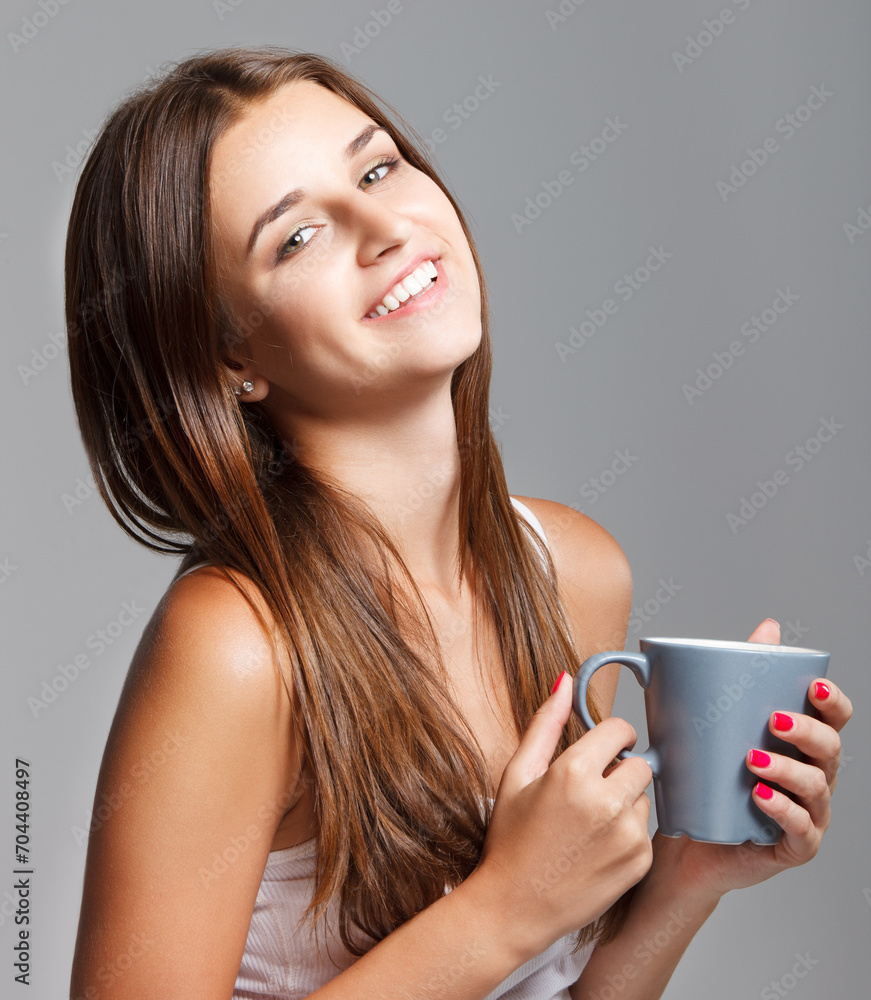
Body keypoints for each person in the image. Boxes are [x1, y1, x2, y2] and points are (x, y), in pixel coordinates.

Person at [65, 46, 852, 1000]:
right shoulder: (239, 646)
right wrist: (502, 908)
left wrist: (689, 877)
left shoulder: (574, 571)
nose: (384, 227)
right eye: (297, 237)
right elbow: (506, 927)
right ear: (229, 359)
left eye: (376, 170)